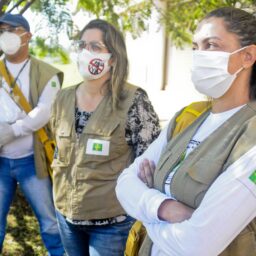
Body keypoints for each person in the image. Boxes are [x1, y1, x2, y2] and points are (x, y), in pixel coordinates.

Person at [116, 7, 256, 256]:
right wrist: (165, 207)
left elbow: (197, 245)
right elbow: (125, 184)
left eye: (211, 45)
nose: (199, 55)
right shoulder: (187, 117)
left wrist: (145, 206)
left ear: (247, 56)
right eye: (195, 47)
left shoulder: (250, 136)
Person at [50, 19, 160, 256]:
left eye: (96, 47)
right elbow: (58, 151)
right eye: (82, 45)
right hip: (66, 217)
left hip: (112, 223)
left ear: (113, 57)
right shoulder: (63, 98)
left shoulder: (133, 100)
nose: (86, 53)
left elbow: (151, 161)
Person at [0, 13, 64, 255]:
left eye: (12, 29)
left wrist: (12, 130)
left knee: (49, 222)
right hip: (1, 162)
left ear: (27, 35)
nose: (5, 34)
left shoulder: (48, 74)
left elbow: (44, 112)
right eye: (1, 29)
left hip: (31, 162)